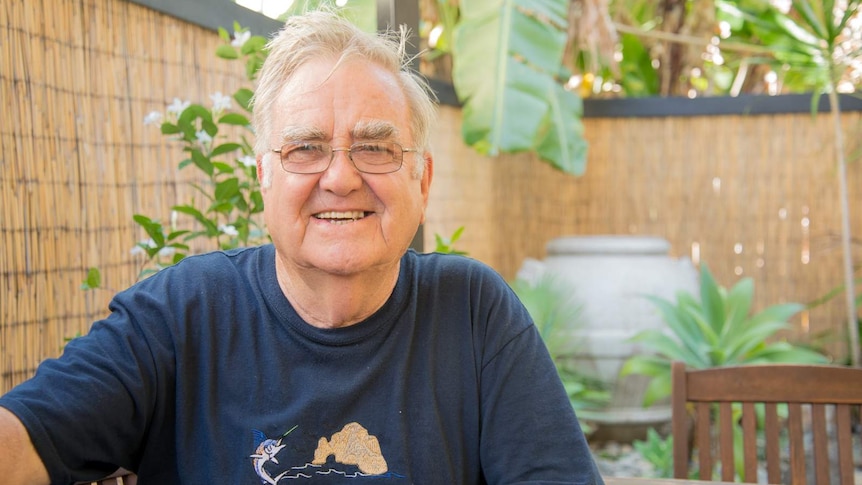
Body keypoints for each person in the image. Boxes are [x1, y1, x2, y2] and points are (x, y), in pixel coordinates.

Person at [0, 10, 604, 485]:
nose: (340, 178)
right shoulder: (182, 314)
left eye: (375, 147)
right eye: (305, 149)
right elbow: (20, 443)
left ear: (421, 179)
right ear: (265, 176)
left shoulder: (474, 314)